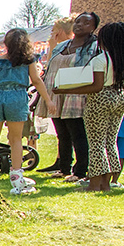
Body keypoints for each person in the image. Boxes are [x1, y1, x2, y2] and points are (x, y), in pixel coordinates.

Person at [37, 12, 99, 182]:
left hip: (76, 95)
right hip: (56, 92)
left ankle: (80, 171)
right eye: (77, 22)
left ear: (93, 28)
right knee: (62, 133)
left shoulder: (94, 47)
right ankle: (64, 167)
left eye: (85, 23)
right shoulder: (61, 46)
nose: (79, 25)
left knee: (77, 133)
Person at [78, 22, 124, 192]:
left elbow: (97, 86)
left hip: (100, 99)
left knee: (95, 142)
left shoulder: (100, 59)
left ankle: (94, 184)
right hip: (120, 96)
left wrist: (68, 90)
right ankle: (106, 183)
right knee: (110, 141)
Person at [0, 29, 38, 195]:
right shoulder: (28, 61)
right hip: (17, 96)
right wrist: (48, 99)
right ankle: (17, 177)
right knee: (15, 138)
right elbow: (36, 80)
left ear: (5, 44)